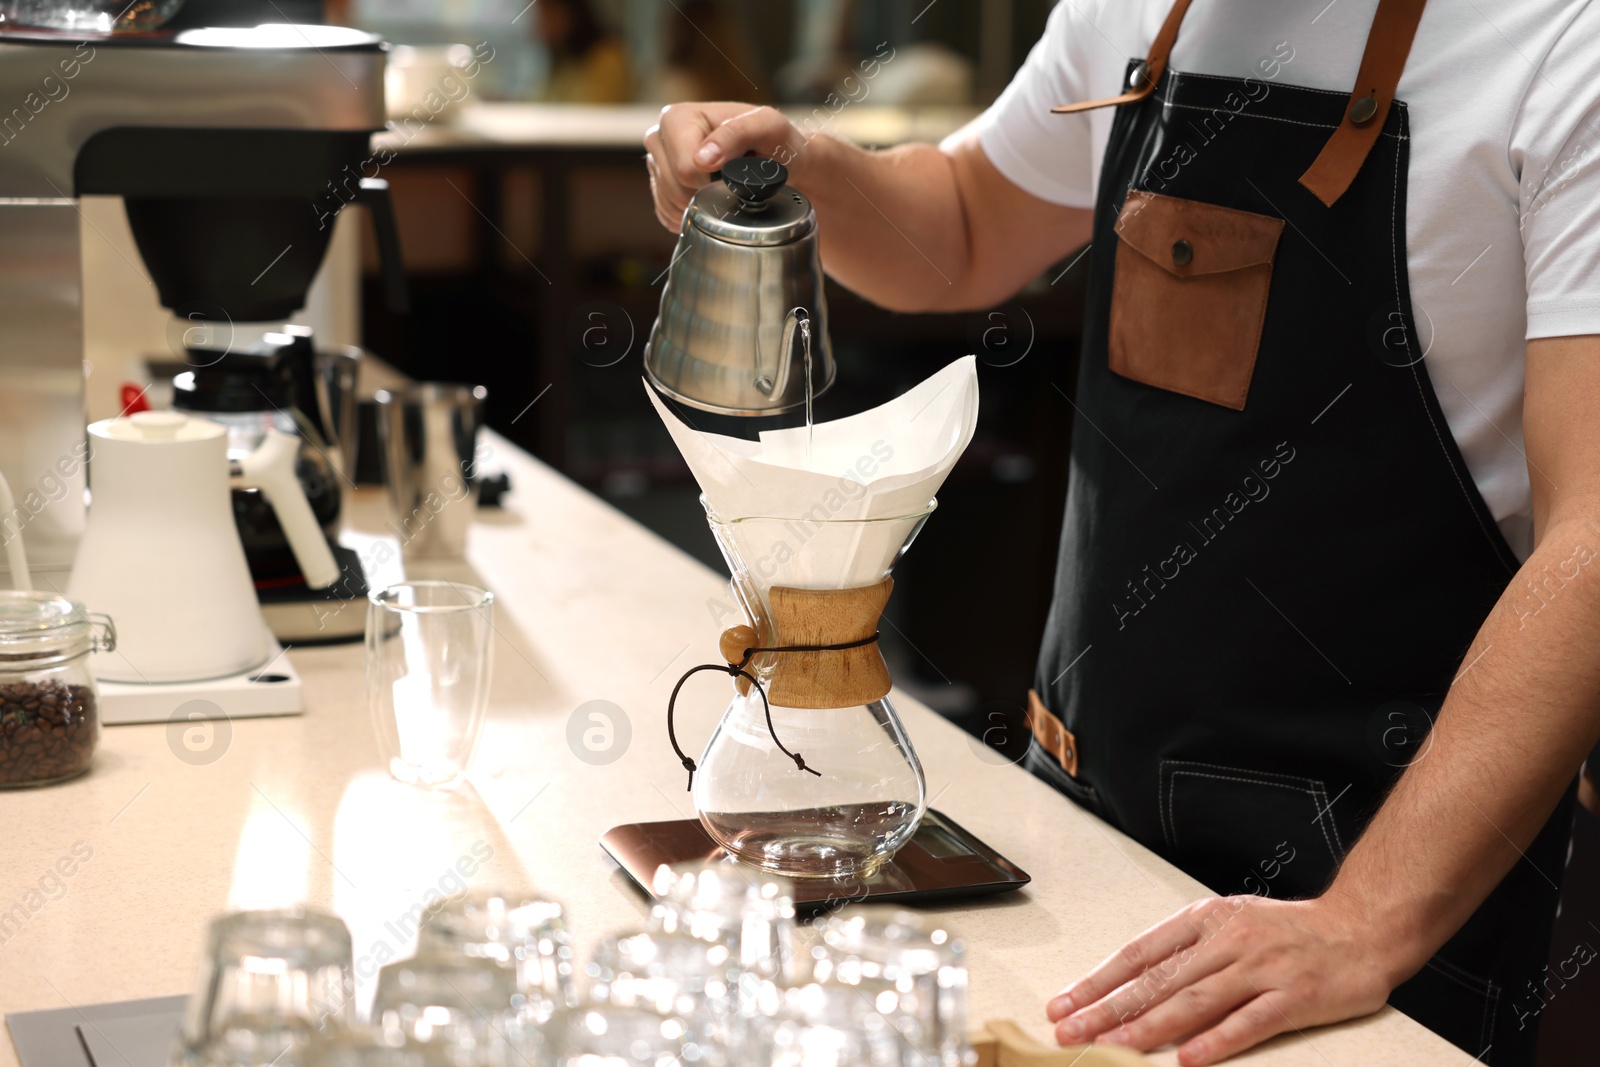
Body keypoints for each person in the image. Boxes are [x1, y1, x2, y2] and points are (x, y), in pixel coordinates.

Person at [643, 0, 1600, 1064]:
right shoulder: (1139, 9)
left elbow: (1592, 538)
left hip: (1374, 877)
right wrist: (806, 166)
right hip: (1086, 821)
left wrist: (1363, 918)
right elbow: (962, 227)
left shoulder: (1563, 45)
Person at [533, 0, 631, 104]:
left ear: (570, 10)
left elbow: (594, 113)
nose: (541, 22)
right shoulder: (564, 58)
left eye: (547, 11)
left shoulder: (608, 57)